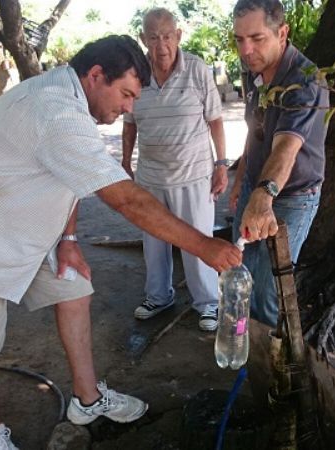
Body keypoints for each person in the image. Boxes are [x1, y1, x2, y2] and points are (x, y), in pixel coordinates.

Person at [0, 36, 241, 450]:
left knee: (74, 288)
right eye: (126, 94)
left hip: (18, 217)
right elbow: (126, 200)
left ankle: (87, 401)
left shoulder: (72, 98)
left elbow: (69, 176)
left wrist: (68, 238)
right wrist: (205, 246)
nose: (129, 108)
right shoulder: (56, 111)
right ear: (96, 76)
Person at [122, 8, 229, 331]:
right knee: (154, 242)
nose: (161, 45)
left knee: (198, 241)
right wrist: (125, 161)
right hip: (151, 176)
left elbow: (215, 120)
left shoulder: (197, 69)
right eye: (154, 37)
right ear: (143, 39)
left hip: (194, 175)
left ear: (178, 36)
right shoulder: (136, 73)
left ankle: (208, 303)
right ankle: (158, 296)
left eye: (167, 36)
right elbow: (129, 123)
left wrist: (221, 164)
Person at [229, 0, 328, 327]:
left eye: (257, 38)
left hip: (292, 195)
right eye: (240, 39)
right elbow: (254, 129)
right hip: (255, 184)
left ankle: (269, 351)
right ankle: (241, 339)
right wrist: (242, 179)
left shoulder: (305, 81)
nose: (246, 50)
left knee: (269, 290)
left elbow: (286, 147)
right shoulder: (254, 71)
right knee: (240, 273)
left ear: (282, 33)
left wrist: (263, 195)